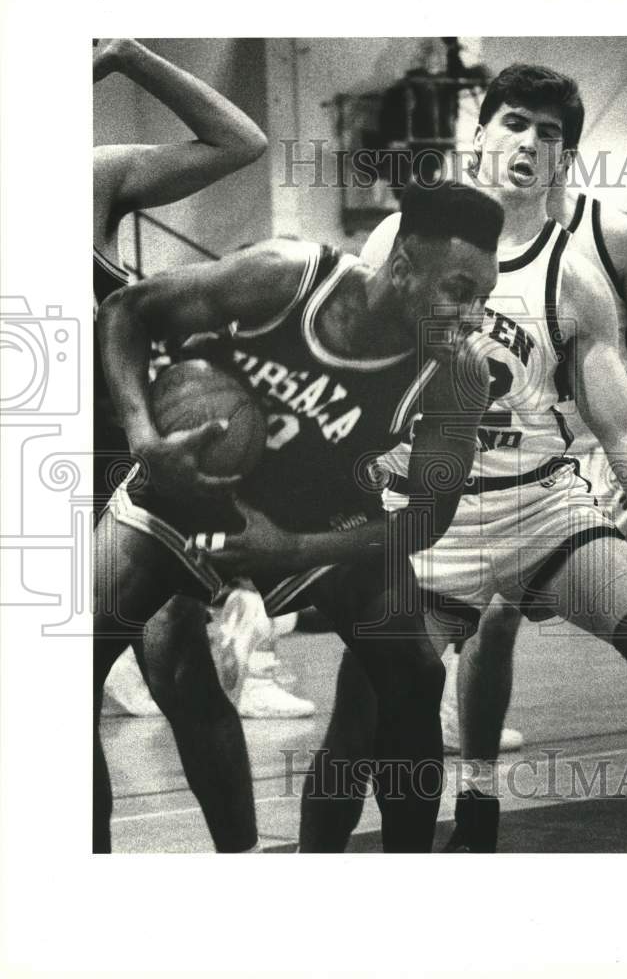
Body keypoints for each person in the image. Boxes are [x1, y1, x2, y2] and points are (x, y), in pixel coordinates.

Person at [299, 63, 627, 854]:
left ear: (564, 157)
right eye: (516, 124)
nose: (530, 144)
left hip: (540, 505)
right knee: (354, 728)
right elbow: (346, 363)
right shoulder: (400, 236)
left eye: (549, 133)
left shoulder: (578, 269)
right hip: (427, 519)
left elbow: (626, 433)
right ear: (481, 131)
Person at [94, 179, 503, 853]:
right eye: (459, 291)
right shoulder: (285, 279)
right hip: (183, 489)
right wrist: (144, 439)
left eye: (483, 298)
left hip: (313, 514)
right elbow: (125, 311)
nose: (473, 317)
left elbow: (428, 516)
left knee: (415, 675)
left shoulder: (460, 374)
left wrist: (292, 549)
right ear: (401, 270)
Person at [92, 38, 271, 854]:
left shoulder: (92, 176)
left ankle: (241, 870)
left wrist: (130, 57)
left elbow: (242, 142)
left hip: (131, 461)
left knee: (179, 670)